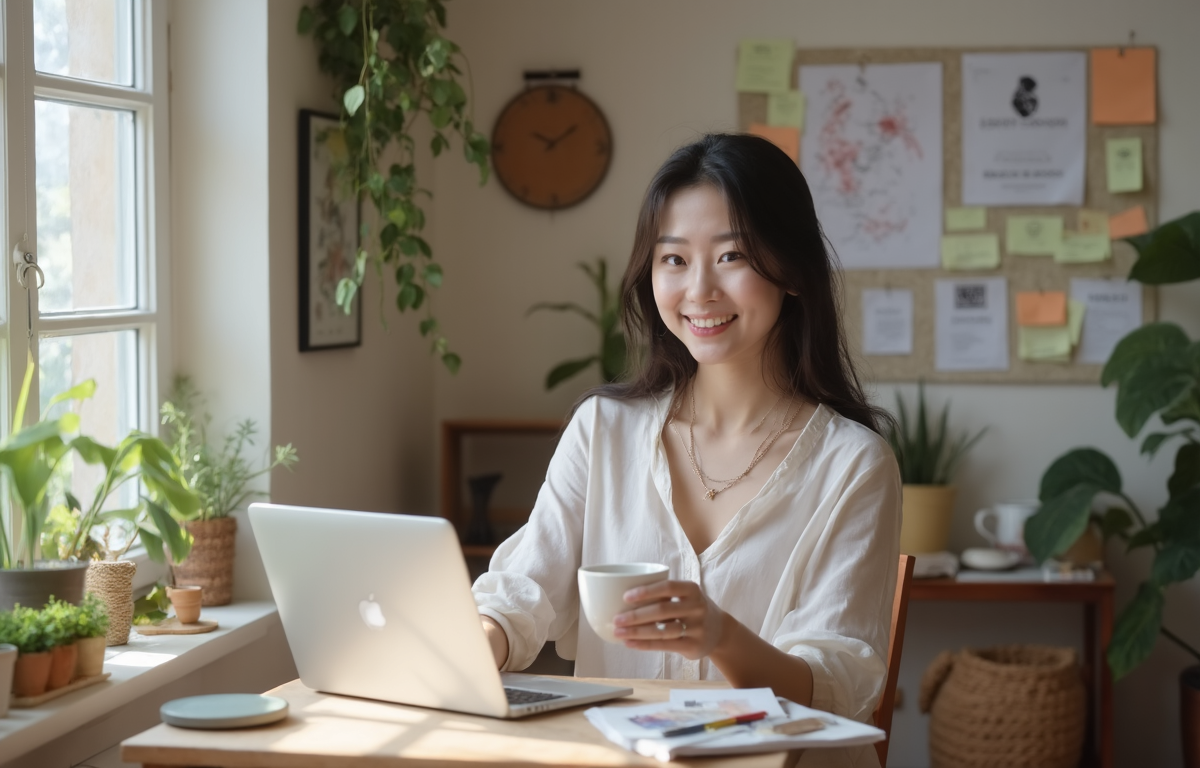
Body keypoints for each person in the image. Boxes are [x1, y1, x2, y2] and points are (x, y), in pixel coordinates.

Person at [473, 133, 901, 758]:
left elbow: (835, 687)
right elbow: (521, 595)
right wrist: (473, 645)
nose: (699, 290)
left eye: (732, 257)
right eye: (673, 259)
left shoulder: (854, 466)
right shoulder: (602, 431)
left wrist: (720, 636)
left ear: (793, 272)